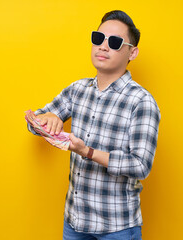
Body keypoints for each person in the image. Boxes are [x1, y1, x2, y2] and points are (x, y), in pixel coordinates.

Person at [26, 10, 161, 240]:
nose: (103, 46)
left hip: (117, 227)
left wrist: (86, 151)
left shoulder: (142, 101)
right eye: (98, 39)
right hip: (75, 222)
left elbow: (140, 165)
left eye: (115, 42)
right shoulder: (77, 90)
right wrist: (48, 118)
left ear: (132, 52)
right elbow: (33, 122)